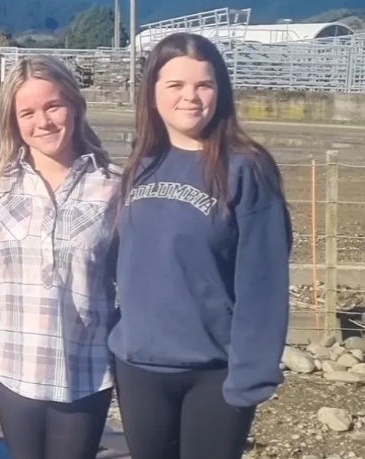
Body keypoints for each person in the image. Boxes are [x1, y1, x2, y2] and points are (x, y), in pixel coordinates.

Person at [108, 32, 293, 459]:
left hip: (214, 374)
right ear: (152, 93)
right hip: (139, 369)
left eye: (203, 85)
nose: (190, 97)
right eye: (175, 85)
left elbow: (263, 283)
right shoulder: (142, 163)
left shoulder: (246, 168)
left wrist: (251, 376)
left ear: (220, 92)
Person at [0, 54, 120, 459]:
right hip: (14, 366)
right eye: (27, 112)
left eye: (52, 106)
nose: (42, 122)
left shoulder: (113, 184)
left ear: (75, 107)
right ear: (13, 120)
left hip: (85, 370)